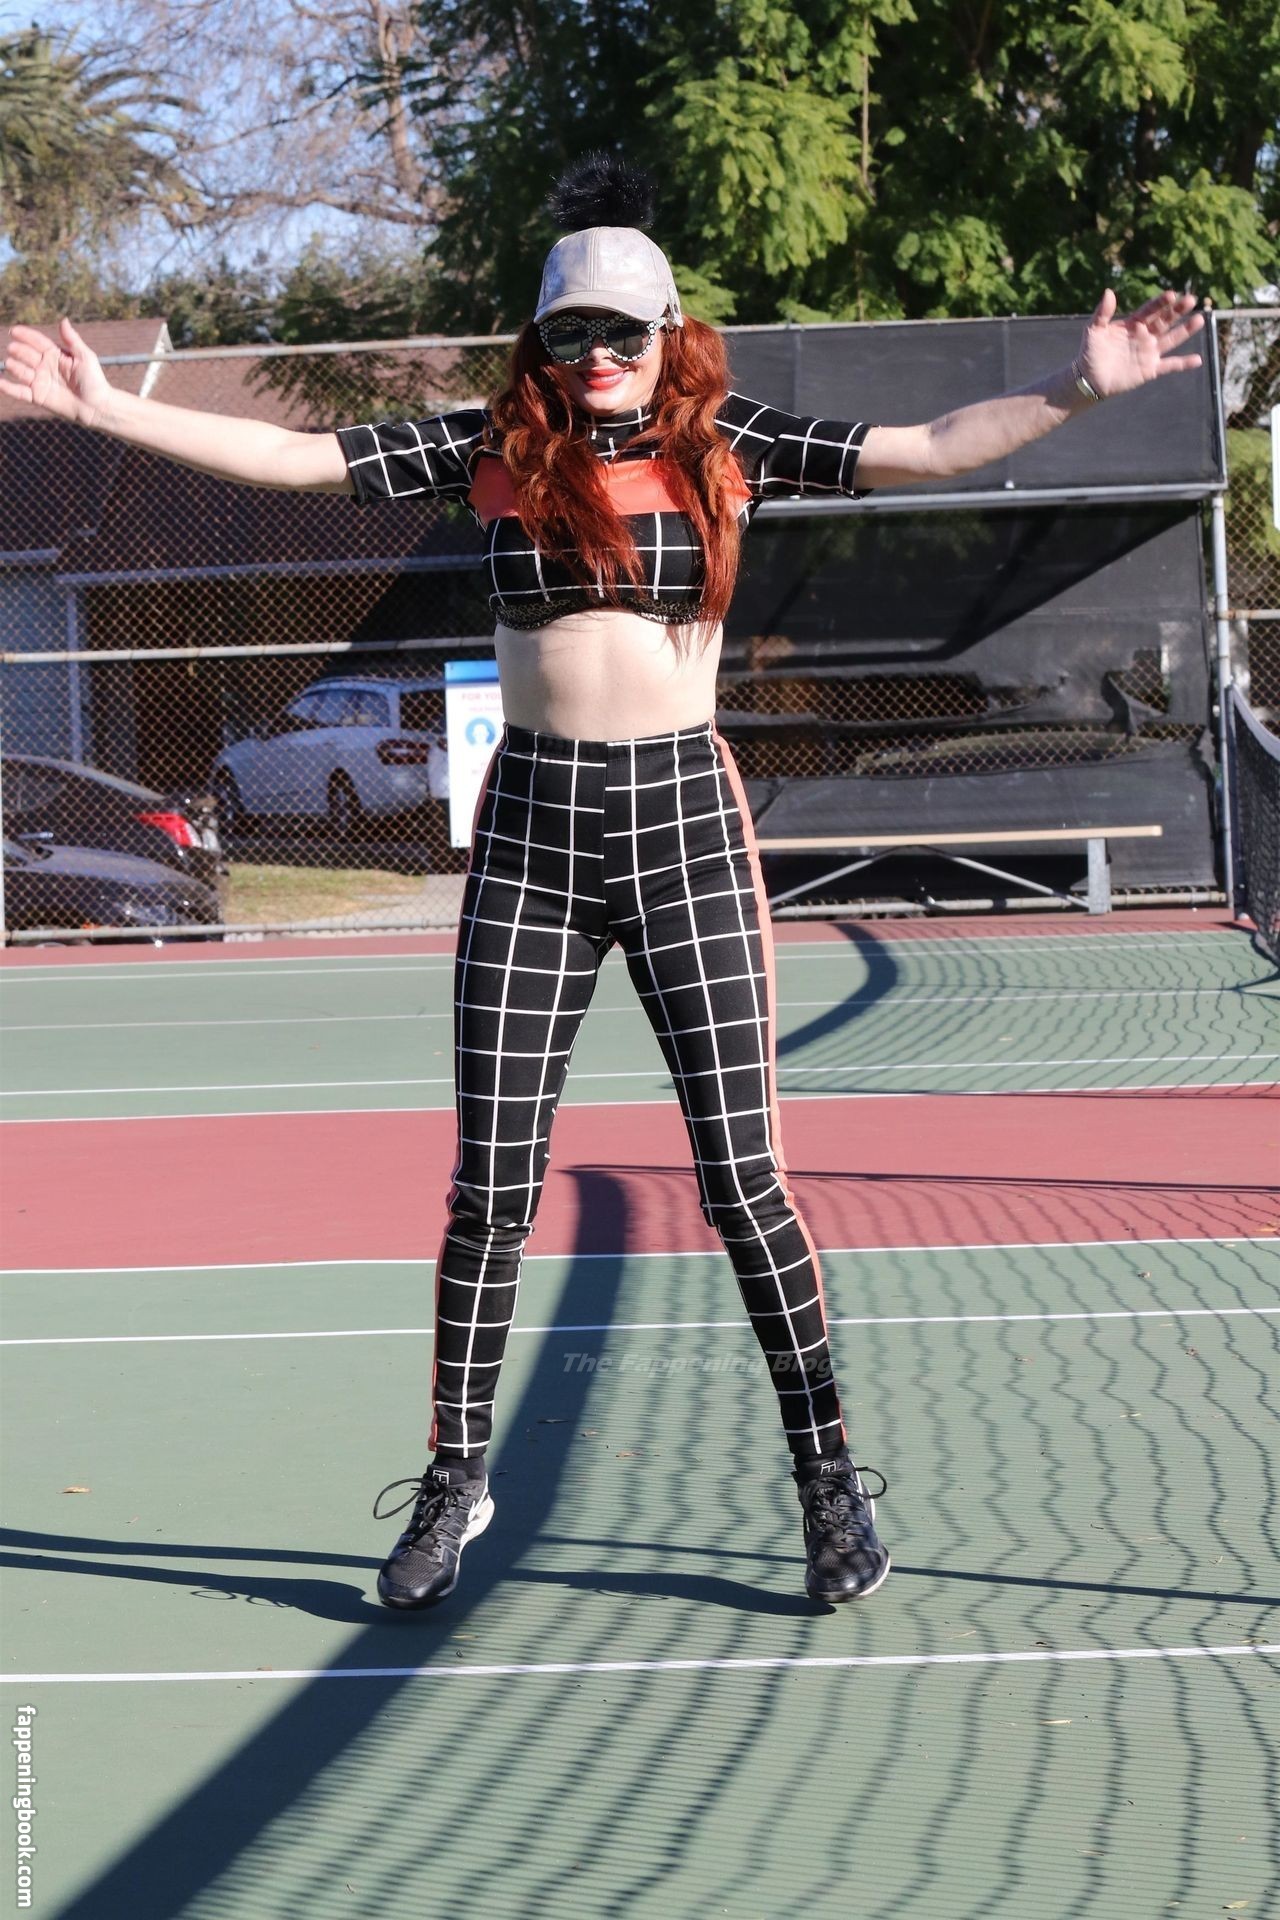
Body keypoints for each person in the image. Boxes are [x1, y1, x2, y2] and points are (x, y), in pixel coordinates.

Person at [0, 154, 1203, 1612]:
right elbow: (300, 460)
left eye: (622, 332)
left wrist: (1080, 388)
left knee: (744, 1183)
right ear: (542, 339)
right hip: (535, 835)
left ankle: (829, 1484)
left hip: (685, 822)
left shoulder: (727, 443)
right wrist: (105, 407)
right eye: (570, 332)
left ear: (666, 330)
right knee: (490, 1188)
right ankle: (456, 1477)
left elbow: (937, 447)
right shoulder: (494, 446)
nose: (597, 357)